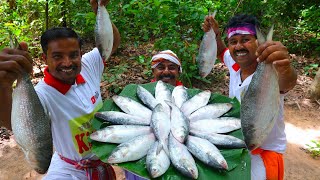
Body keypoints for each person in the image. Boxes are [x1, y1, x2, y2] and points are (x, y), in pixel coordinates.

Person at [0, 0, 121, 179]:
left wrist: (99, 9)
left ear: (81, 53)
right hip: (71, 169)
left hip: (103, 162)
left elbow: (112, 44)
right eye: (57, 56)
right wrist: (2, 85)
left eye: (73, 55)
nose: (67, 62)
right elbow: (12, 122)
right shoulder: (41, 94)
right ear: (45, 57)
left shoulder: (88, 65)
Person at [203, 14, 297, 180]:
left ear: (258, 43)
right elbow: (221, 52)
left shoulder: (271, 72)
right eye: (234, 41)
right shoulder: (235, 64)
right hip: (240, 148)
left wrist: (284, 65)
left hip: (265, 156)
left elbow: (287, 83)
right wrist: (216, 34)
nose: (238, 46)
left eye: (245, 39)